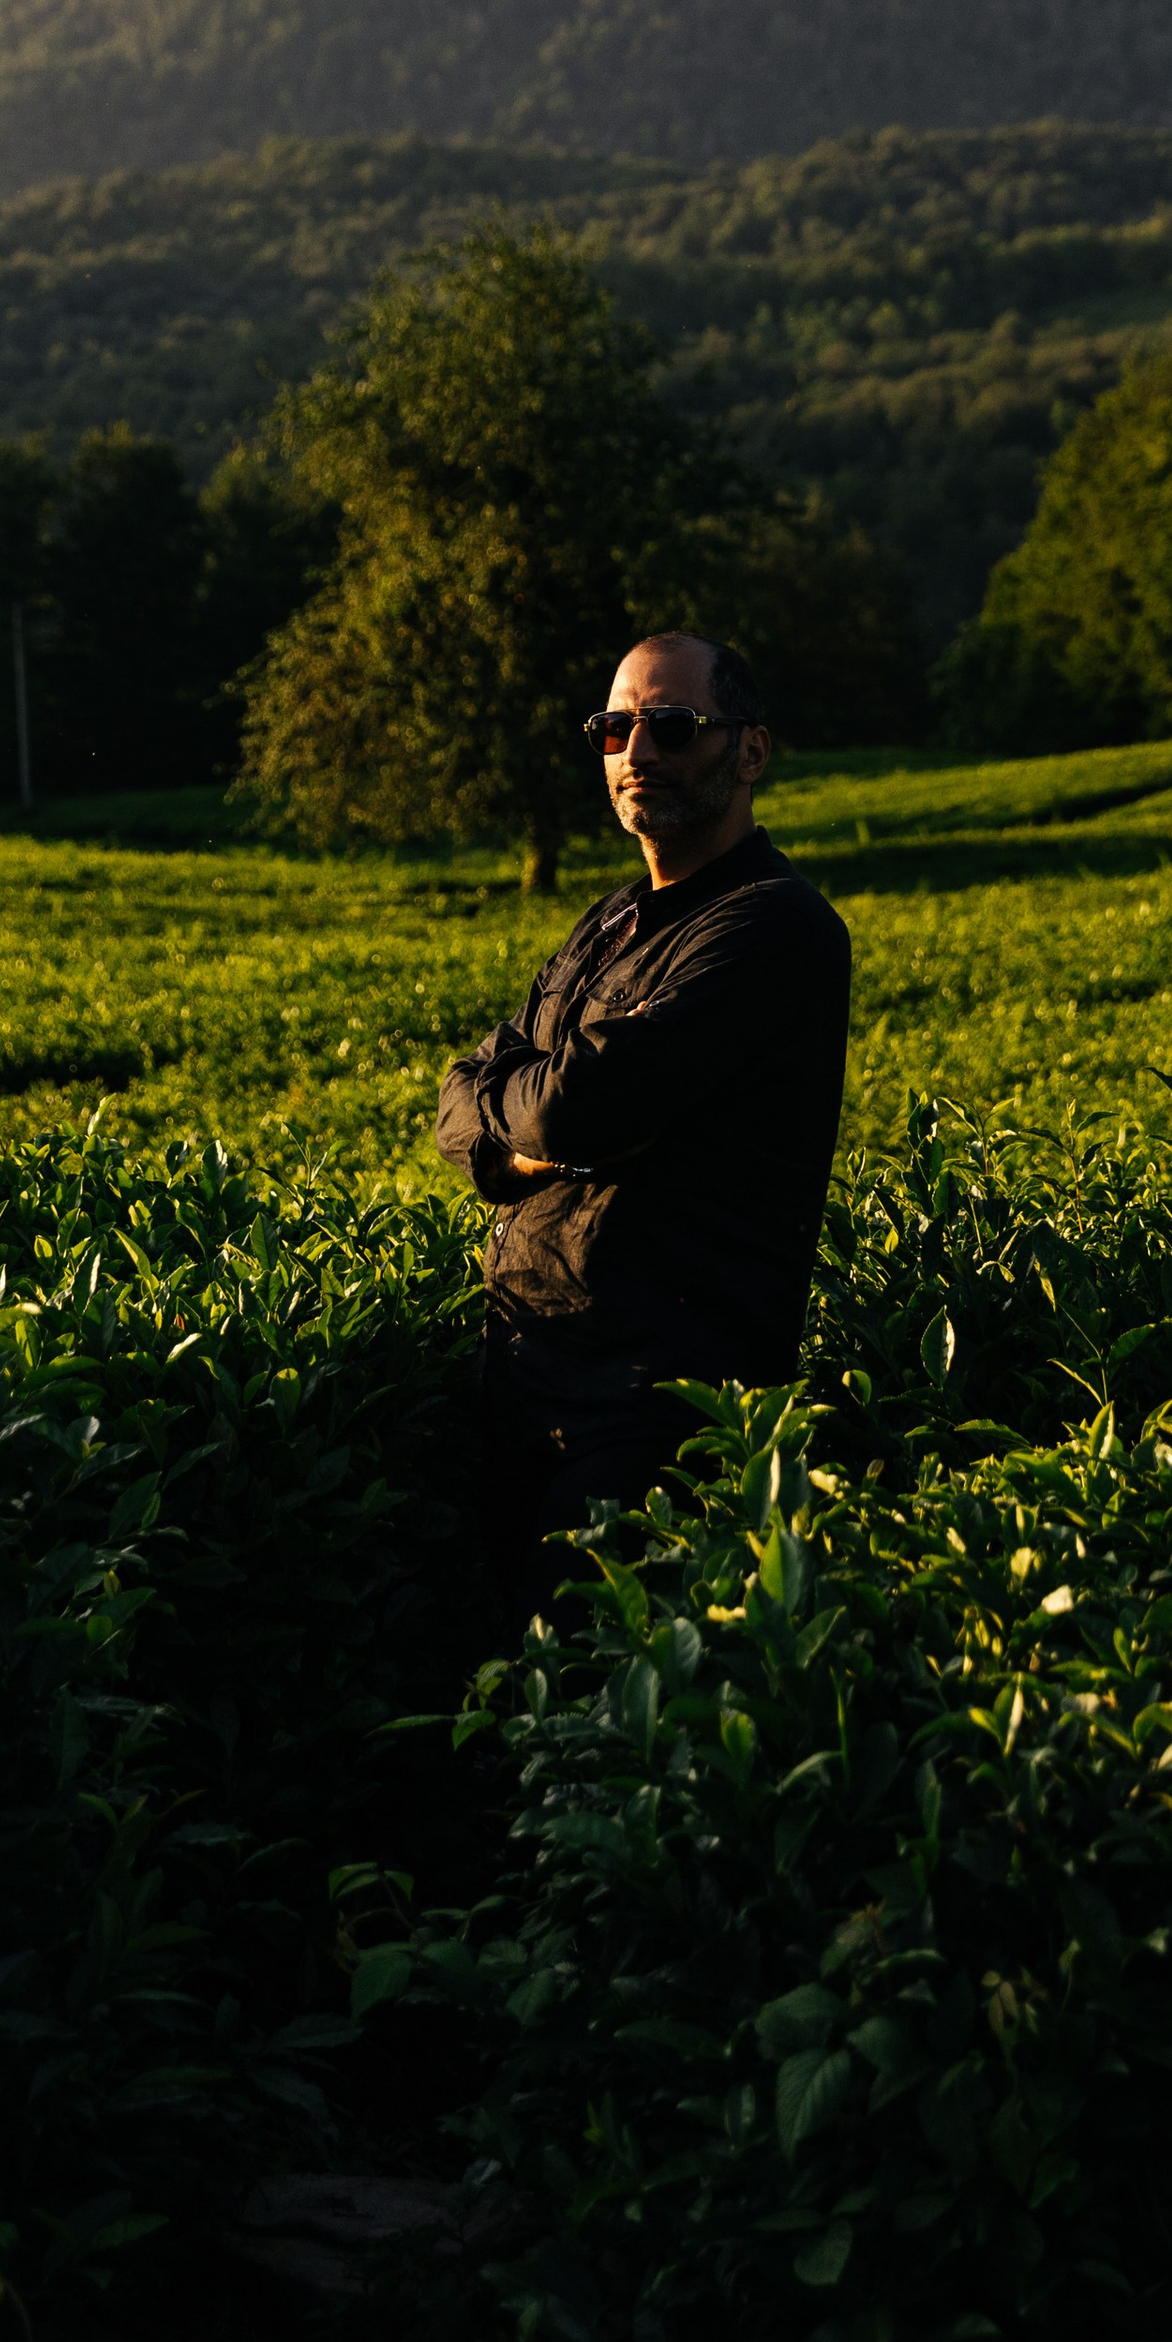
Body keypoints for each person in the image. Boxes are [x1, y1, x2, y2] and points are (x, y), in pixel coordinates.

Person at [435, 629, 852, 1610]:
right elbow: (467, 1094)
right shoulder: (611, 920)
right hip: (525, 1380)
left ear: (749, 751)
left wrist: (542, 1124)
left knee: (592, 1704)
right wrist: (516, 1146)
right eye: (613, 728)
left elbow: (578, 1106)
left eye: (671, 726)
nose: (637, 753)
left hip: (655, 1410)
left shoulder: (772, 926)